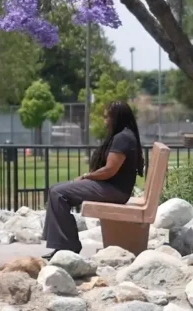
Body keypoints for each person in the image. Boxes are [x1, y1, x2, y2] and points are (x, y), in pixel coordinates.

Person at [41, 101, 144, 259]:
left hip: (114, 190)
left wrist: (85, 177)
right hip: (113, 188)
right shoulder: (125, 135)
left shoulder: (123, 138)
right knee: (55, 189)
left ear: (116, 117)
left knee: (58, 193)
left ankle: (67, 246)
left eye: (107, 117)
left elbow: (109, 170)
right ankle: (62, 243)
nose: (105, 121)